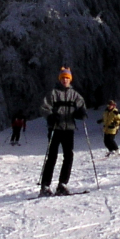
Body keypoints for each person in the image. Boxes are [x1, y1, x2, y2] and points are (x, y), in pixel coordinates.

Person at [38, 66, 86, 194]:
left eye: (67, 78)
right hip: (55, 128)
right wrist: (50, 116)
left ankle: (62, 184)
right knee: (52, 157)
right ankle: (45, 186)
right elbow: (44, 107)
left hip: (68, 129)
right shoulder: (53, 93)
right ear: (60, 79)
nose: (65, 80)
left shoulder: (75, 95)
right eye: (63, 78)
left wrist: (81, 113)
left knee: (68, 156)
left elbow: (81, 106)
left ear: (70, 80)